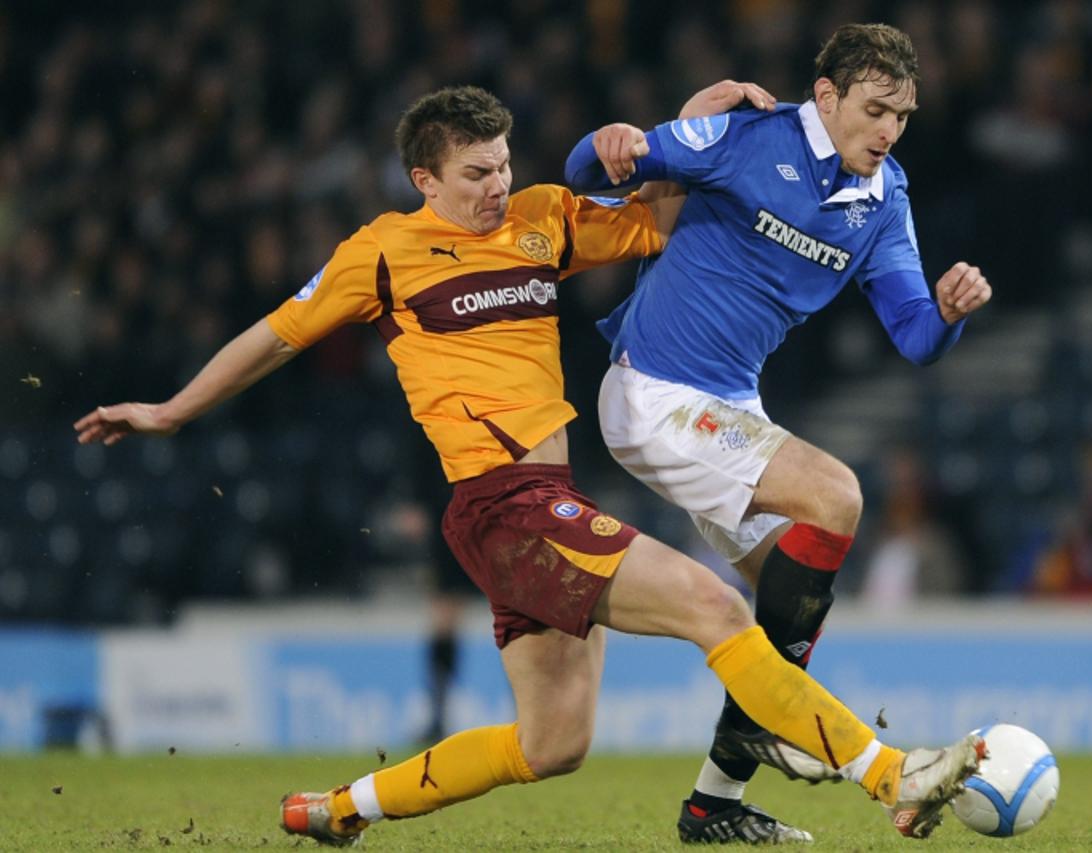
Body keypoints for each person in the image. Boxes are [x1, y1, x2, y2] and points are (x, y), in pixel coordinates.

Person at [74, 85, 983, 847]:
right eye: (476, 174)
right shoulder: (381, 252)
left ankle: (338, 809)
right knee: (715, 608)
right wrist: (171, 410)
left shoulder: (540, 219)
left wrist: (692, 120)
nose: (498, 186)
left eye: (504, 164)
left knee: (553, 744)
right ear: (425, 179)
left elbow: (655, 223)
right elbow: (275, 336)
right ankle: (890, 773)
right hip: (500, 502)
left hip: (545, 502)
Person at [565, 23, 992, 842]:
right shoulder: (749, 138)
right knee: (836, 495)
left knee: (786, 619)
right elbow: (588, 171)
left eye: (902, 116)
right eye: (875, 111)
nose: (889, 131)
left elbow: (914, 335)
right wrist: (607, 142)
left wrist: (946, 314)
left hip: (729, 408)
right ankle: (852, 758)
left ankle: (713, 803)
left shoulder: (882, 199)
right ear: (826, 97)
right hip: (653, 391)